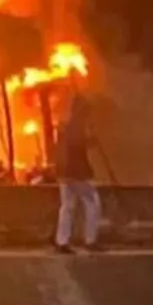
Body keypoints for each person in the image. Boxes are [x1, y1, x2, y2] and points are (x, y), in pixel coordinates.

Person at [53, 76, 102, 254]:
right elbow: (76, 144)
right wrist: (91, 141)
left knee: (67, 206)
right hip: (77, 172)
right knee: (92, 203)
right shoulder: (76, 126)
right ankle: (90, 240)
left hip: (64, 172)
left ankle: (62, 241)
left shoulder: (65, 125)